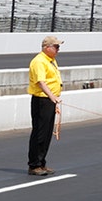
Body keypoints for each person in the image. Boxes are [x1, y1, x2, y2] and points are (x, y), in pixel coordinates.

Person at [28, 35, 63, 176]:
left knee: (47, 133)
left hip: (49, 100)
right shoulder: (39, 61)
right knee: (40, 132)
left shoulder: (51, 60)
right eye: (56, 47)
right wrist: (52, 96)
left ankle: (41, 162)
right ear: (46, 48)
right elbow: (41, 82)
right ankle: (34, 164)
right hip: (42, 100)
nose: (58, 49)